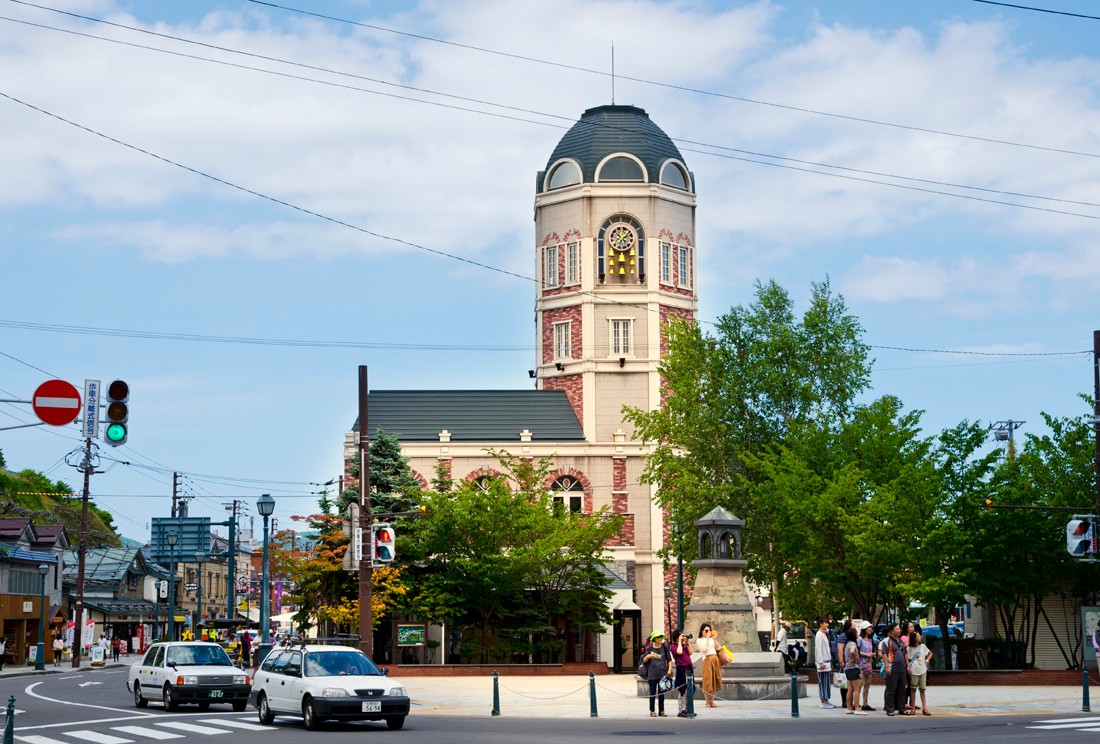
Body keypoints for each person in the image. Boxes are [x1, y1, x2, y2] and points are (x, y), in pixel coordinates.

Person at [641, 630, 674, 718]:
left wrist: (669, 669)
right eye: (658, 637)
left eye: (660, 637)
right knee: (652, 693)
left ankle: (661, 710)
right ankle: (652, 711)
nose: (660, 638)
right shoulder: (649, 648)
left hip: (662, 673)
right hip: (652, 673)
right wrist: (648, 656)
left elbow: (669, 659)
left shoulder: (664, 647)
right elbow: (644, 660)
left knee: (661, 693)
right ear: (654, 639)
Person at [881, 623, 908, 716]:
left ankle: (902, 708)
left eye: (899, 629)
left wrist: (907, 666)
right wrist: (887, 667)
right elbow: (883, 654)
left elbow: (905, 653)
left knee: (902, 690)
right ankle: (890, 709)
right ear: (892, 631)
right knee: (891, 690)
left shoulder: (900, 641)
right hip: (893, 668)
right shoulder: (887, 641)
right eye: (897, 629)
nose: (899, 630)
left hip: (902, 669)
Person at [668, 628, 693, 718]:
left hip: (689, 668)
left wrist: (687, 643)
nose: (682, 637)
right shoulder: (674, 647)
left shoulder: (683, 645)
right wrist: (679, 642)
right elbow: (679, 652)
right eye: (681, 635)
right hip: (681, 669)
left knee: (689, 690)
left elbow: (691, 652)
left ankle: (688, 709)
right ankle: (681, 710)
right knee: (682, 691)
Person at [696, 623, 722, 708]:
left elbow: (718, 648)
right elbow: (704, 649)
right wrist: (707, 638)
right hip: (707, 660)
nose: (708, 632)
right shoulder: (700, 640)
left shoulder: (711, 639)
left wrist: (714, 639)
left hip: (715, 659)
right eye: (706, 630)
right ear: (702, 631)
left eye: (709, 630)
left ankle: (712, 701)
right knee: (707, 681)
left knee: (715, 680)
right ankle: (707, 701)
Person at [907, 630, 933, 715]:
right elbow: (906, 657)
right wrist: (908, 666)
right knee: (913, 689)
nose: (920, 637)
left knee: (922, 690)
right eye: (918, 636)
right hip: (914, 670)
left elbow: (930, 653)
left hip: (922, 670)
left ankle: (924, 708)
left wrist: (927, 660)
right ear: (914, 639)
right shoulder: (909, 648)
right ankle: (913, 708)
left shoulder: (923, 646)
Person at [843, 627, 865, 715]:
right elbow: (852, 652)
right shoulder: (853, 644)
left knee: (850, 689)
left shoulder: (847, 644)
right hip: (854, 668)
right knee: (857, 689)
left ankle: (849, 708)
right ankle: (857, 708)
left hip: (848, 668)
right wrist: (853, 659)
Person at [814, 617, 834, 709]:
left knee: (826, 682)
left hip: (826, 660)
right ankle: (822, 701)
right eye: (825, 623)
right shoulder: (819, 635)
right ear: (821, 624)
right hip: (822, 662)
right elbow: (818, 649)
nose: (827, 624)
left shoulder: (824, 634)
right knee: (822, 682)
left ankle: (826, 700)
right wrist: (820, 661)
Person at [857, 621, 876, 711]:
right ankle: (856, 703)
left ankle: (865, 703)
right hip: (861, 665)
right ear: (864, 629)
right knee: (860, 684)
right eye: (869, 627)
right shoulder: (860, 639)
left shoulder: (870, 640)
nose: (870, 629)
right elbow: (856, 652)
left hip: (869, 664)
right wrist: (867, 654)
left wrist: (872, 655)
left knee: (867, 684)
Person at [835, 619, 852, 710]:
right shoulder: (843, 636)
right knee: (844, 682)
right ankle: (844, 701)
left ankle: (850, 701)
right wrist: (841, 661)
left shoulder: (852, 635)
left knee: (851, 682)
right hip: (845, 662)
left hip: (851, 662)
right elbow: (840, 649)